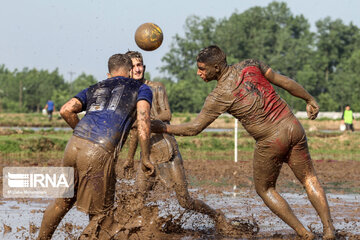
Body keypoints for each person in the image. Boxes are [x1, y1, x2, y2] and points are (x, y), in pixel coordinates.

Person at [151, 45, 336, 240]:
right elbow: (285, 82)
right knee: (309, 178)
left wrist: (161, 127)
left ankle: (304, 233)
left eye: (202, 69)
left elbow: (194, 128)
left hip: (271, 140)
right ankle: (329, 230)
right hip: (293, 126)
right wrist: (309, 99)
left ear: (216, 68)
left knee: (264, 189)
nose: (198, 73)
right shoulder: (251, 65)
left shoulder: (219, 95)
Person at [122, 51, 245, 236]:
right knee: (137, 199)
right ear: (127, 71)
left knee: (184, 201)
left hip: (168, 151)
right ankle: (142, 231)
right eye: (133, 66)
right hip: (147, 155)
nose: (137, 69)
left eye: (139, 65)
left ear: (144, 67)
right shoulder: (129, 95)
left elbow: (167, 115)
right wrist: (130, 158)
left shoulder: (157, 88)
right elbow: (134, 132)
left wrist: (145, 119)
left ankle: (216, 216)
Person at [37, 53, 154, 240]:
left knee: (63, 201)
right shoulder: (142, 88)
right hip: (99, 151)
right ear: (130, 70)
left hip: (73, 146)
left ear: (110, 72)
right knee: (102, 216)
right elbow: (143, 119)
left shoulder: (96, 87)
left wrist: (84, 134)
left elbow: (66, 109)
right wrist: (146, 156)